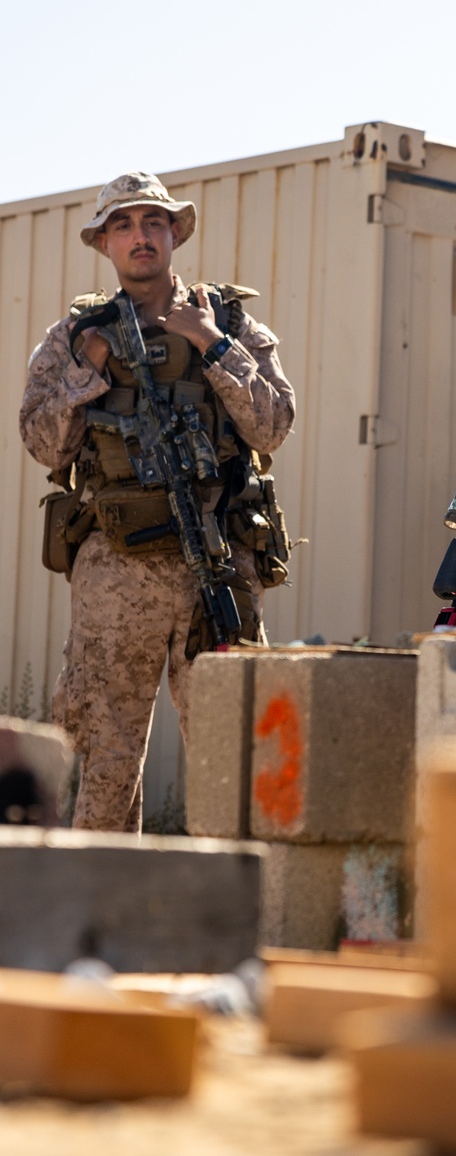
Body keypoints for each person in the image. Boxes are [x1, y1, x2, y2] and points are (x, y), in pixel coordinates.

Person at [20, 171, 295, 831]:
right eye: (123, 225)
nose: (140, 236)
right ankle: (102, 896)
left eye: (152, 222)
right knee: (106, 766)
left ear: (175, 232)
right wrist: (87, 369)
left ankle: (228, 894)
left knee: (233, 756)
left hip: (216, 569)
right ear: (104, 243)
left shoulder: (228, 321)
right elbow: (44, 444)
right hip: (116, 575)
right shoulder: (75, 336)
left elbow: (273, 426)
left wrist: (211, 343)